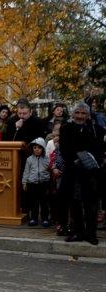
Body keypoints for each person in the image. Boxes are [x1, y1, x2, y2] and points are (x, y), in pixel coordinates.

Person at [59, 102, 104, 245]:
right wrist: (75, 159)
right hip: (72, 171)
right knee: (74, 204)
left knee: (91, 205)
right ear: (72, 114)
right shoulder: (65, 128)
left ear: (88, 115)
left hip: (90, 173)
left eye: (83, 113)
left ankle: (91, 234)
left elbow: (99, 150)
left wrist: (88, 160)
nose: (80, 116)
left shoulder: (96, 129)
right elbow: (64, 149)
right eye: (77, 113)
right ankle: (78, 232)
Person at [22, 137, 51, 227]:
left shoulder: (47, 159)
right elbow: (26, 171)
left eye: (39, 148)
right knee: (34, 203)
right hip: (32, 184)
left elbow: (50, 170)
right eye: (35, 148)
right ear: (32, 149)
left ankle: (45, 218)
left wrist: (49, 180)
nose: (37, 150)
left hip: (44, 184)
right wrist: (24, 182)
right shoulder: (29, 159)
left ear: (43, 148)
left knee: (44, 202)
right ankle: (34, 218)